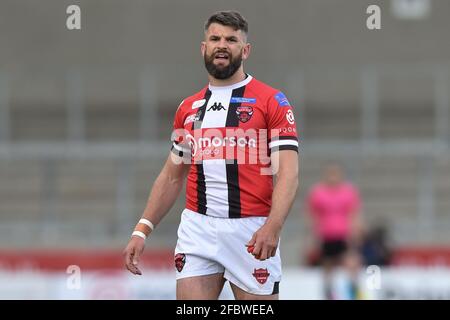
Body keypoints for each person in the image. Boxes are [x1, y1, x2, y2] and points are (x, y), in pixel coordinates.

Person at [123, 11, 299, 300]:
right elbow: (172, 176)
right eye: (215, 38)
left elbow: (288, 173)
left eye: (231, 39)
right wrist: (142, 230)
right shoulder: (188, 108)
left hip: (251, 230)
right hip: (198, 228)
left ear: (246, 50)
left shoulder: (272, 101)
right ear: (203, 47)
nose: (222, 44)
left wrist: (274, 225)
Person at [306, 163, 362, 299]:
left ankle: (354, 291)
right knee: (328, 266)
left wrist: (355, 233)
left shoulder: (348, 192)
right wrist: (313, 237)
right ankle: (328, 293)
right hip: (326, 235)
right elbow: (313, 216)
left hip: (344, 234)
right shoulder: (318, 193)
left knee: (352, 263)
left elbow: (354, 214)